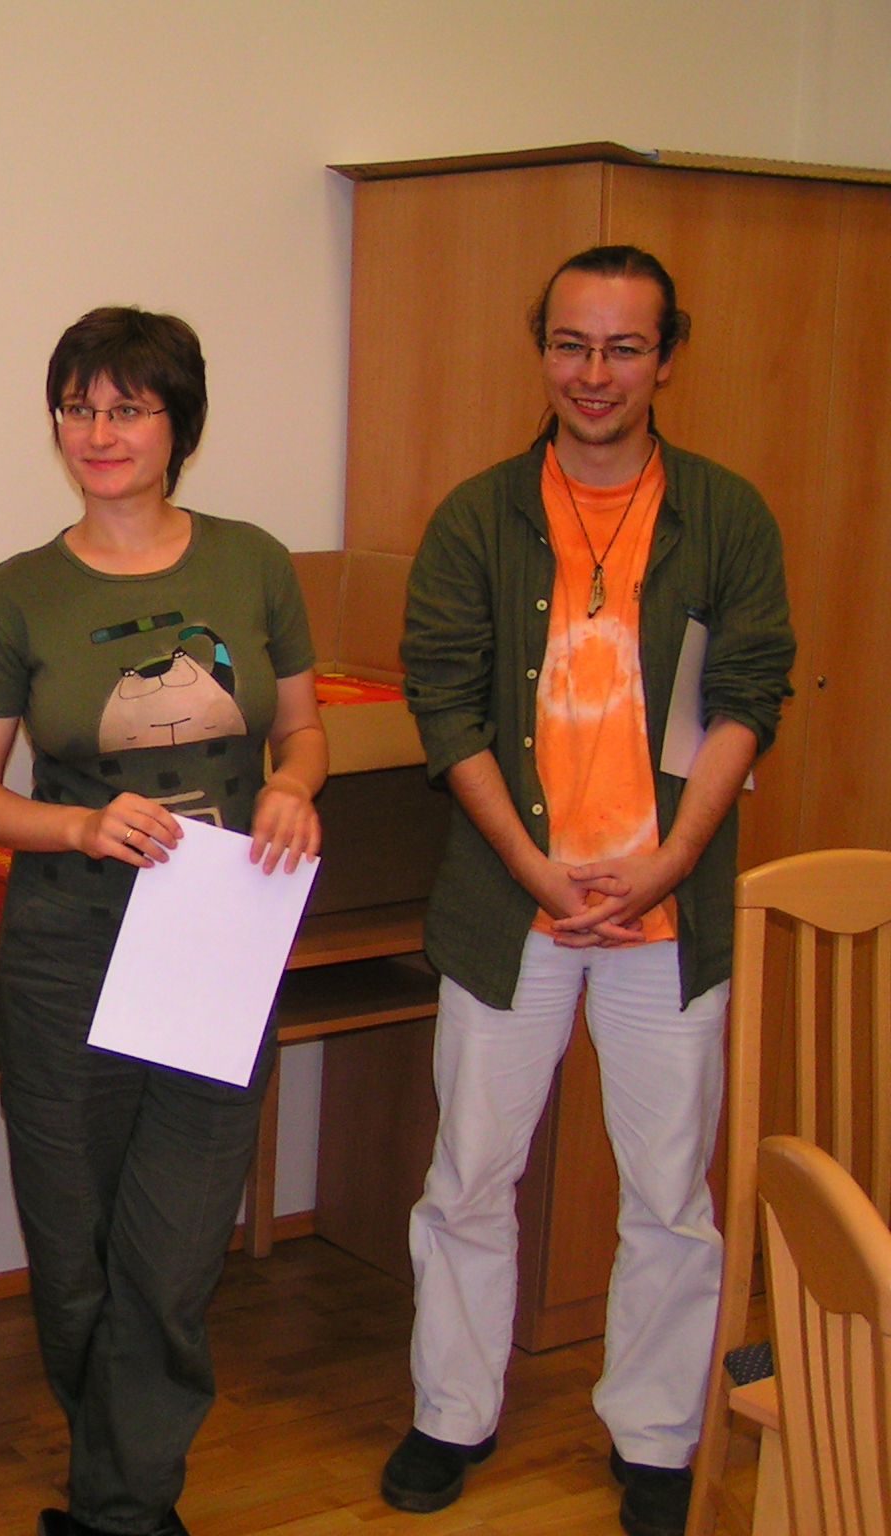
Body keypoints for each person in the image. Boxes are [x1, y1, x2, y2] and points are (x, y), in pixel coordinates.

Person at [381, 246, 794, 1536]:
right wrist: (530, 866)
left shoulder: (724, 516)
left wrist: (666, 862)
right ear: (541, 350)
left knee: (668, 1192)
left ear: (666, 357)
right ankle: (451, 1413)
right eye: (570, 344)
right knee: (467, 1174)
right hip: (510, 906)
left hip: (669, 914)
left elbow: (749, 694)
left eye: (622, 347)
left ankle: (656, 1436)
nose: (593, 372)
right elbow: (443, 703)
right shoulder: (477, 516)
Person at [0, 306, 327, 1536]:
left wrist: (290, 787)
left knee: (167, 1263)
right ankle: (117, 1488)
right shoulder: (16, 594)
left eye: (127, 408)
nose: (98, 432)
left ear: (178, 425)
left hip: (217, 949)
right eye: (78, 407)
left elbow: (303, 729)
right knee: (73, 1264)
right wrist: (75, 824)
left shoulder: (251, 563)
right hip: (66, 958)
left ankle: (119, 1508)